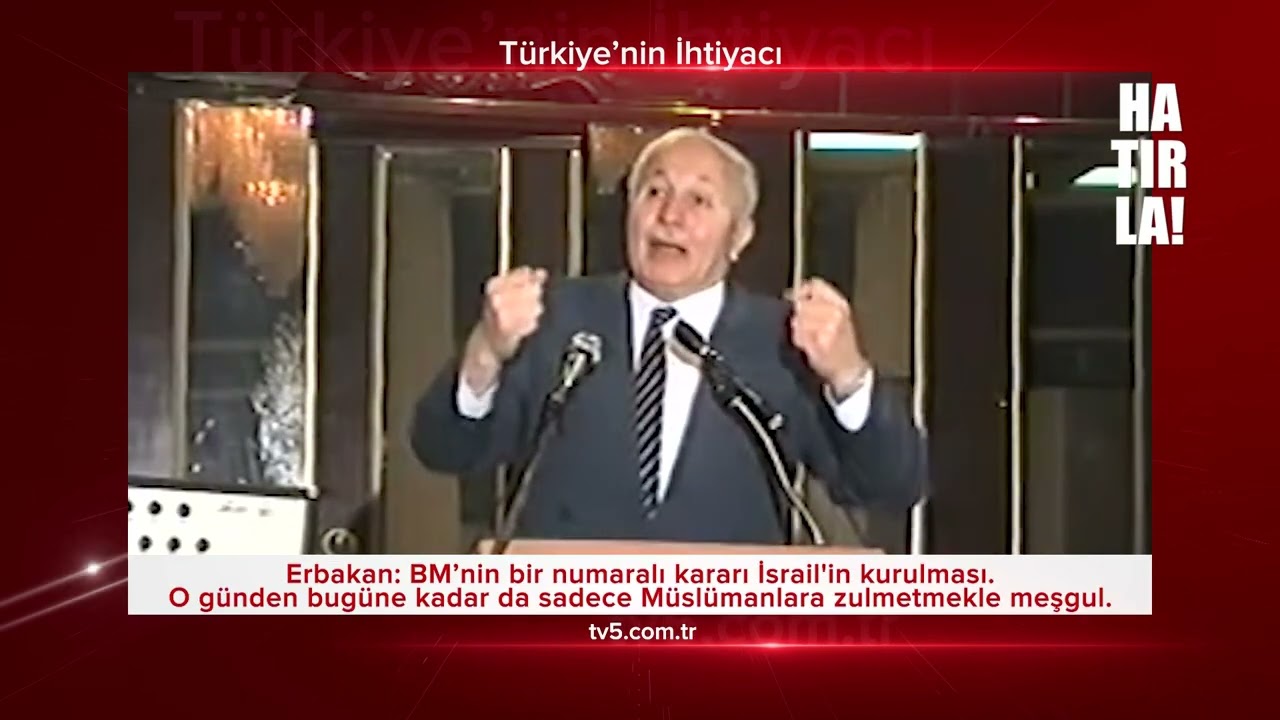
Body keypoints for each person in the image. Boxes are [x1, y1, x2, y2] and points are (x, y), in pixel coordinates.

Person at [411, 127, 926, 546]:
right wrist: (484, 354)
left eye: (699, 199)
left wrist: (847, 376)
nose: (671, 216)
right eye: (654, 192)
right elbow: (442, 450)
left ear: (739, 236)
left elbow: (891, 485)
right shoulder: (556, 317)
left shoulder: (782, 339)